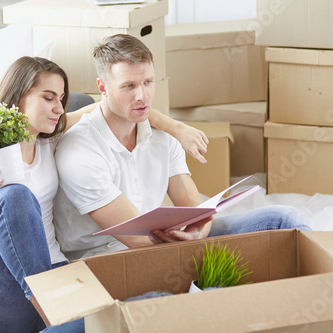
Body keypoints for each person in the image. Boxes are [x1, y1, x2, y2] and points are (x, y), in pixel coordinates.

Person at [0, 56, 210, 333]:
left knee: (145, 306)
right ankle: (54, 315)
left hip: (58, 274)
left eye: (61, 99)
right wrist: (2, 197)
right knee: (16, 197)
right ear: (19, 96)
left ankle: (57, 321)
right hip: (5, 294)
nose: (58, 109)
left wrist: (179, 129)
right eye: (48, 98)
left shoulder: (49, 138)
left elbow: (111, 107)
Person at [53, 34, 311, 261]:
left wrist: (198, 231)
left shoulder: (162, 137)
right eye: (129, 86)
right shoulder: (79, 151)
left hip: (163, 244)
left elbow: (194, 209)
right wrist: (188, 240)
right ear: (103, 88)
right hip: (106, 257)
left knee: (284, 219)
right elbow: (135, 237)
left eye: (148, 82)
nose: (142, 97)